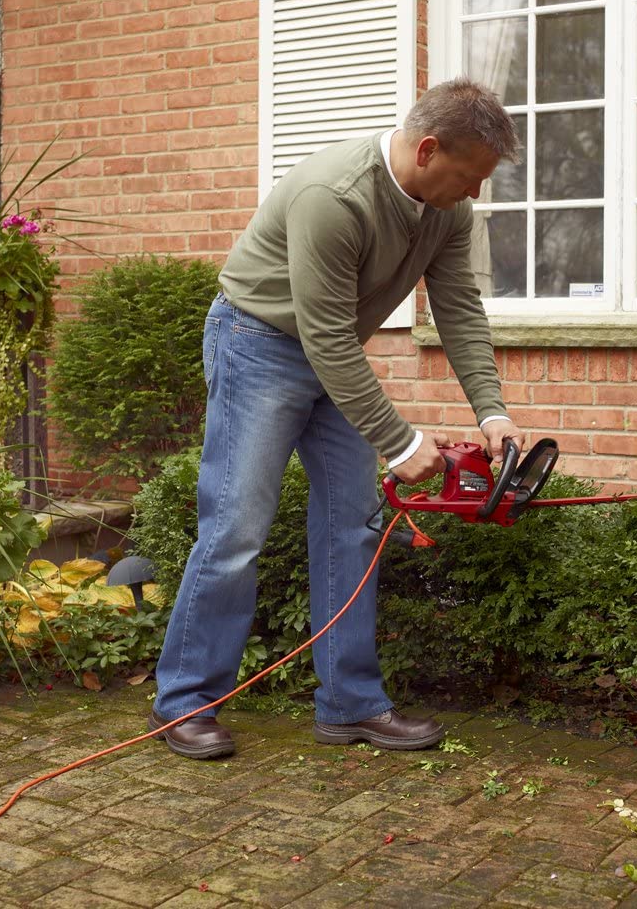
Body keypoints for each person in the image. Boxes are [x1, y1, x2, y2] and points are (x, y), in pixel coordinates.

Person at [148, 77, 524, 759]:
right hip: (257, 341)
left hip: (333, 352)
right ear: (429, 149)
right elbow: (321, 335)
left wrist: (491, 410)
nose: (473, 195)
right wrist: (399, 440)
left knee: (353, 526)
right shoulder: (335, 196)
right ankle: (185, 702)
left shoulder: (447, 212)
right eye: (469, 178)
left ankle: (350, 705)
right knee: (236, 528)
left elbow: (460, 307)